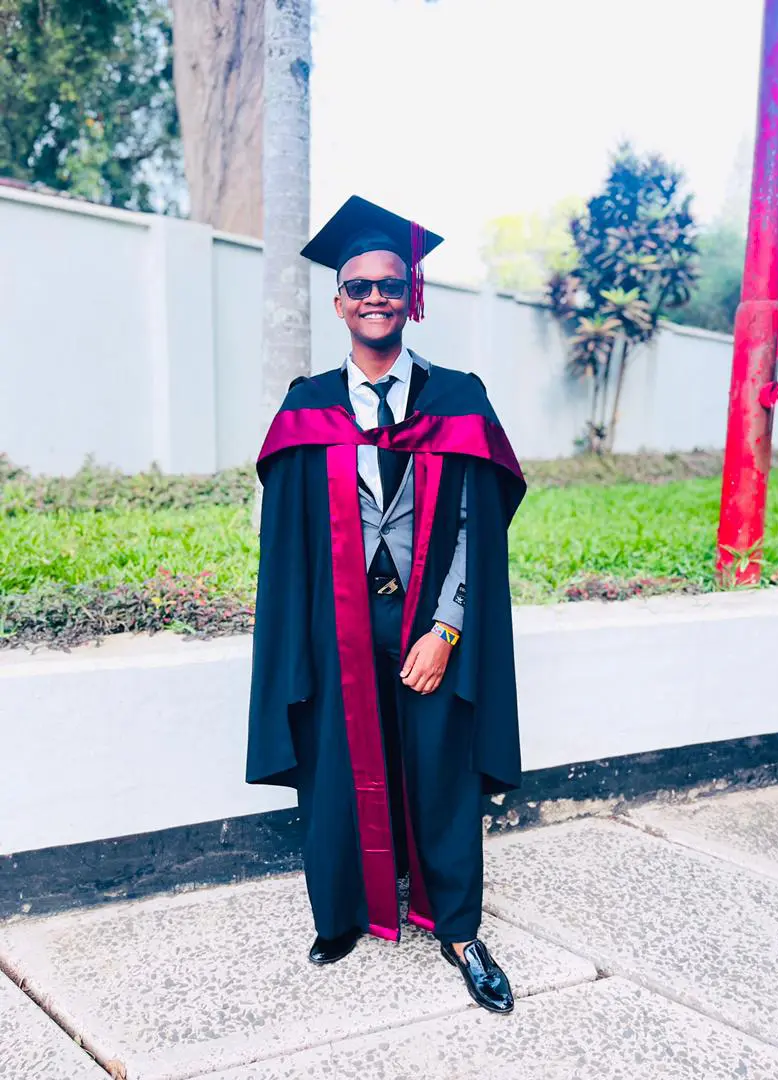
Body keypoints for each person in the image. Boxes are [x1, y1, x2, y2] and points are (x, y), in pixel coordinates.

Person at [246, 196, 526, 1014]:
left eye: (390, 285)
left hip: (429, 623)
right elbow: (289, 543)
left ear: (412, 298)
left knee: (440, 768)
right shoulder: (307, 409)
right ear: (339, 301)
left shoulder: (460, 401)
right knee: (337, 764)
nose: (375, 297)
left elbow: (477, 526)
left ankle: (460, 930)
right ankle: (341, 914)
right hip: (335, 627)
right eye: (359, 285)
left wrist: (447, 627)